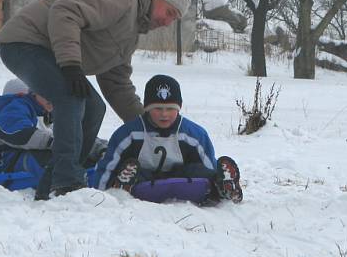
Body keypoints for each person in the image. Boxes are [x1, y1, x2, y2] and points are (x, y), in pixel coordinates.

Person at [0, 0, 191, 200]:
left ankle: (52, 183)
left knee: (95, 107)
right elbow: (65, 12)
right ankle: (66, 183)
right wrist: (70, 64)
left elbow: (116, 84)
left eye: (174, 19)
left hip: (48, 52)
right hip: (24, 42)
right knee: (71, 98)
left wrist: (147, 125)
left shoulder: (131, 32)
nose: (167, 22)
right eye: (169, 12)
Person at [91, 75, 242, 205]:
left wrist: (213, 175)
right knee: (130, 170)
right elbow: (107, 166)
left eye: (170, 109)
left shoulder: (194, 134)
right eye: (158, 109)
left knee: (198, 171)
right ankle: (122, 187)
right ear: (147, 108)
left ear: (179, 108)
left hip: (180, 176)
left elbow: (208, 164)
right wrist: (101, 194)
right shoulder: (129, 133)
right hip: (144, 177)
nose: (164, 114)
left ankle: (223, 188)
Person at [0, 78, 54, 191]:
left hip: (25, 164)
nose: (51, 98)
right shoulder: (15, 107)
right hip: (3, 167)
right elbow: (20, 134)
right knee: (50, 158)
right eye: (46, 93)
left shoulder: (47, 113)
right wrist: (53, 141)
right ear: (34, 91)